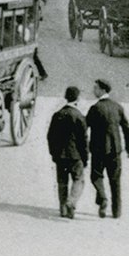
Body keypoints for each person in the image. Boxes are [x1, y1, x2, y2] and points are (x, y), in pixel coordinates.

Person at [85, 78, 129, 219]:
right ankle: (117, 212)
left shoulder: (95, 108)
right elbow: (127, 129)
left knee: (96, 176)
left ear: (102, 90)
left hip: (99, 150)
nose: (94, 90)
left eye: (96, 88)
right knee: (115, 180)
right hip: (115, 150)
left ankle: (103, 198)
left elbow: (84, 126)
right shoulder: (117, 107)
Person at [47, 86, 89, 219]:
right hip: (75, 156)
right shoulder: (79, 116)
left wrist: (53, 153)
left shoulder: (57, 114)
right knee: (78, 180)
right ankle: (71, 202)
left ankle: (63, 210)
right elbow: (83, 140)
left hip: (60, 156)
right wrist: (85, 157)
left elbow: (50, 136)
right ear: (77, 99)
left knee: (62, 182)